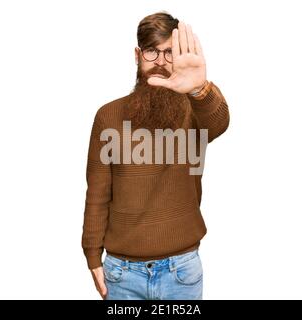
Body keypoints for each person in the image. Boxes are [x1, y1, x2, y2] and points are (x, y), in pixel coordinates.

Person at [81, 11, 230, 300]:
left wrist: (200, 88)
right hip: (122, 274)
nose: (160, 62)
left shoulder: (195, 110)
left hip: (182, 271)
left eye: (169, 52)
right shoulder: (108, 116)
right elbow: (97, 193)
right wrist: (92, 255)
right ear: (138, 55)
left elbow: (220, 123)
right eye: (152, 50)